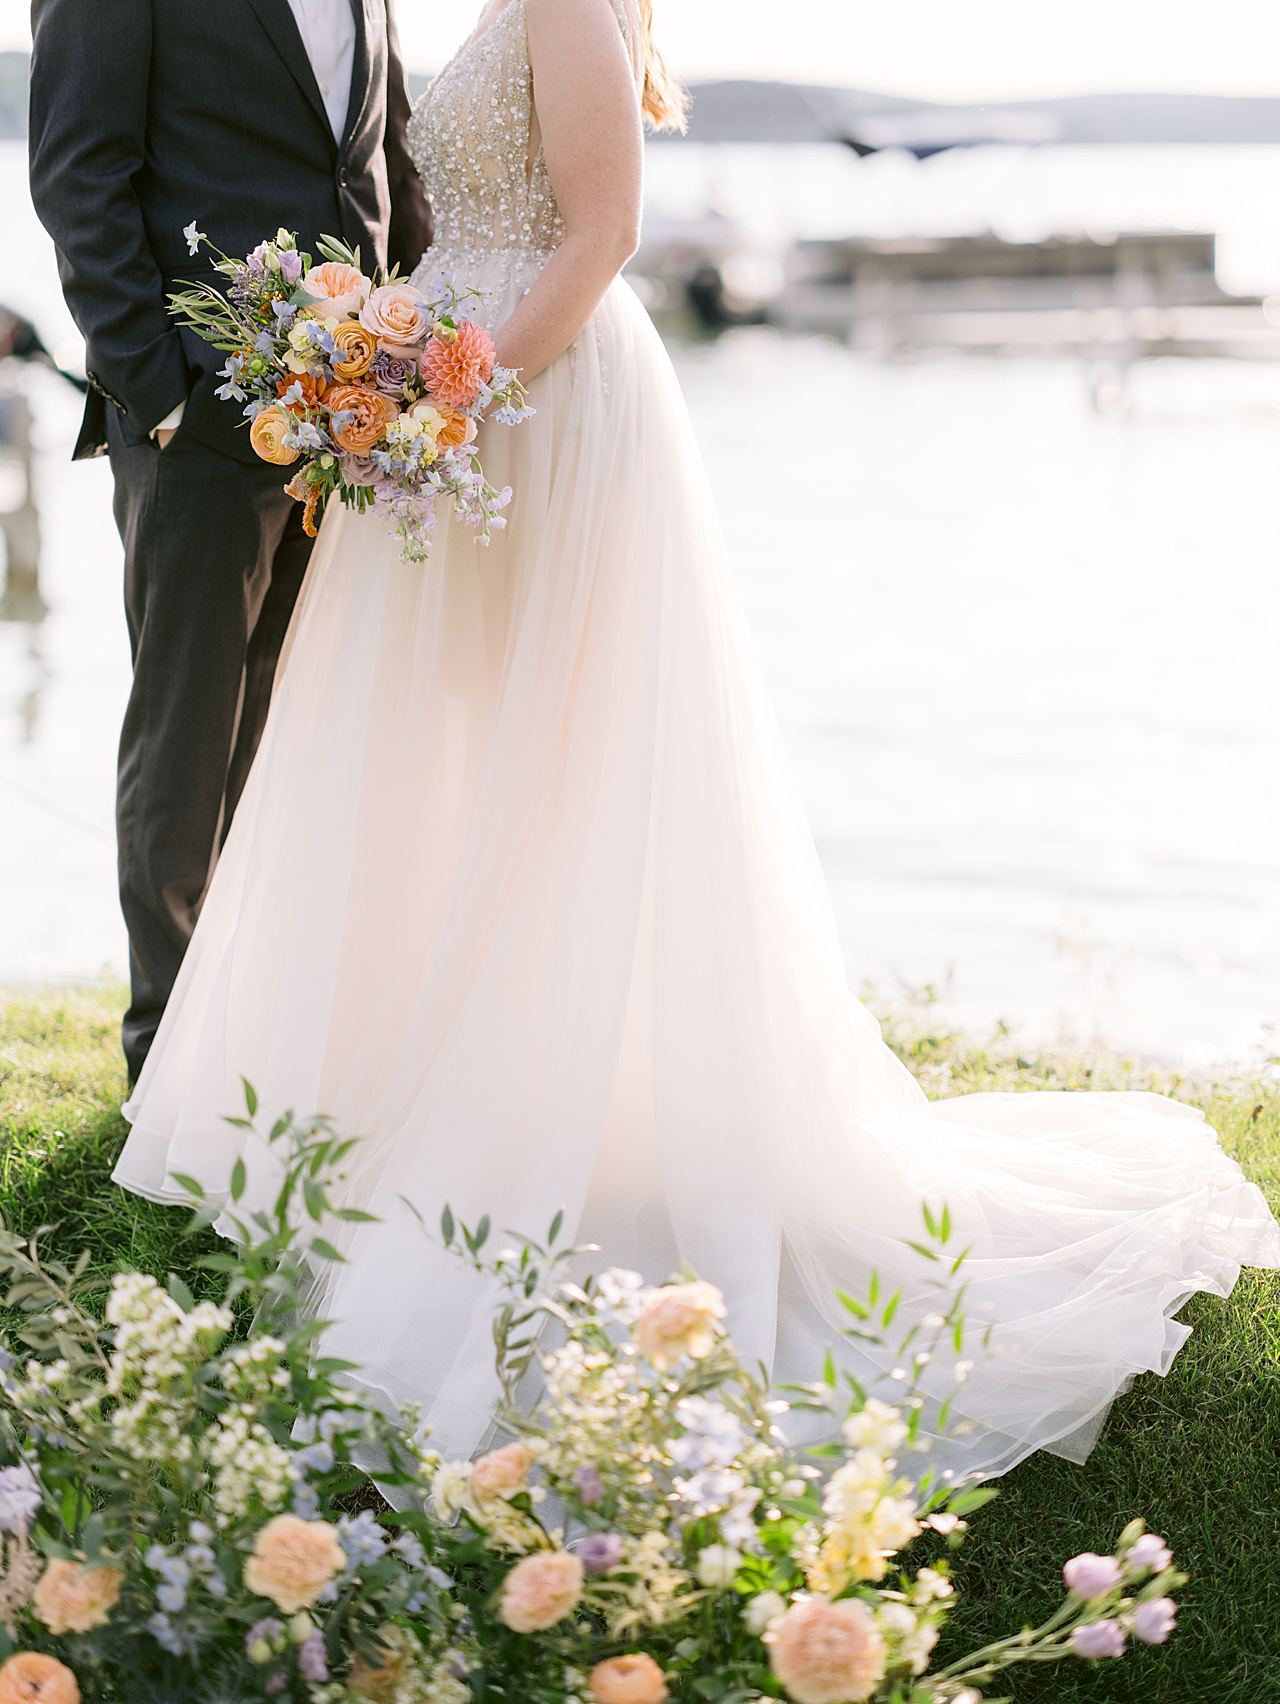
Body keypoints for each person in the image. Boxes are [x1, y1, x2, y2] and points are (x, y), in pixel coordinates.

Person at [112, 0, 1280, 1480]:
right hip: (456, 401)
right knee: (452, 774)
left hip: (526, 400)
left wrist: (433, 388)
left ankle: (554, 1109)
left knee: (560, 769)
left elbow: (599, 237)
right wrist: (385, 360)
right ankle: (442, 1090)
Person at [28, 0, 433, 1086]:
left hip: (349, 412)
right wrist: (160, 394)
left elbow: (385, 165)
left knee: (292, 728)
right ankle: (166, 1065)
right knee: (187, 737)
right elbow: (77, 175)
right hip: (195, 424)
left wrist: (412, 367)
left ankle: (261, 1029)